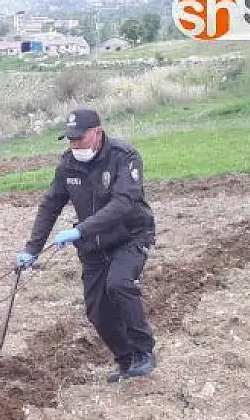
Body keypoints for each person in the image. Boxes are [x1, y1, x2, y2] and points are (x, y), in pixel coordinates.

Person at [15, 108, 157, 382]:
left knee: (119, 284)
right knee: (97, 312)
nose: (74, 144)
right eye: (70, 139)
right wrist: (32, 250)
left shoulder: (124, 157)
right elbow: (50, 205)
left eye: (79, 139)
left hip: (130, 237)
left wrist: (79, 230)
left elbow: (123, 204)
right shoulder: (68, 164)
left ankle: (144, 353)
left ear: (97, 132)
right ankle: (126, 361)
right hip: (93, 247)